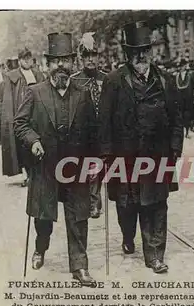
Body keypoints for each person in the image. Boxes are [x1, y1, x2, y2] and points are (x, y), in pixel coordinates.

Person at [98, 21, 184, 273]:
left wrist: (175, 147)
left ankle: (155, 254)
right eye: (135, 51)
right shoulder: (114, 81)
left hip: (157, 156)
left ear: (151, 52)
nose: (141, 56)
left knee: (156, 204)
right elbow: (104, 121)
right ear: (127, 54)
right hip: (124, 157)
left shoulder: (165, 80)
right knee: (127, 206)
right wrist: (105, 155)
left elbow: (176, 118)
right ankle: (128, 235)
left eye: (145, 50)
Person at [14, 32, 98, 287]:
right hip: (46, 167)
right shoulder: (35, 92)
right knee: (43, 218)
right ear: (47, 64)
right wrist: (34, 141)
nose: (61, 65)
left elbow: (93, 131)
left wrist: (95, 163)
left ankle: (80, 266)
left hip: (75, 168)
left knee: (78, 218)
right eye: (56, 61)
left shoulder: (82, 94)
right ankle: (40, 248)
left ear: (73, 62)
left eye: (65, 60)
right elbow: (20, 124)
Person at [71, 31, 107, 219]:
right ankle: (91, 201)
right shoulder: (75, 80)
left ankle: (95, 201)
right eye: (87, 56)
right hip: (82, 133)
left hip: (102, 132)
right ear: (81, 58)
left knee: (96, 171)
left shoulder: (107, 78)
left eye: (94, 55)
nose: (91, 60)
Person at [1, 48, 44, 187]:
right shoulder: (11, 76)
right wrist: (11, 117)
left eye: (29, 58)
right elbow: (8, 98)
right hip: (22, 113)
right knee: (23, 145)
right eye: (24, 58)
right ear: (19, 61)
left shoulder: (38, 74)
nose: (27, 61)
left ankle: (36, 173)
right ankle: (27, 174)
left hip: (37, 112)